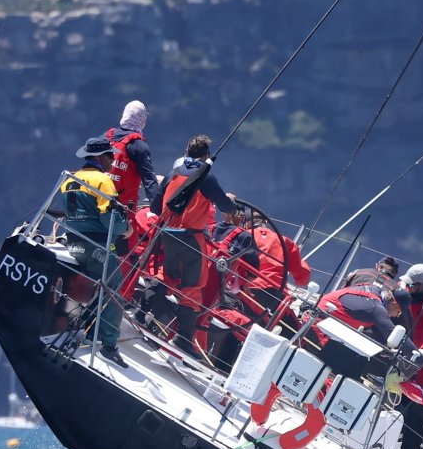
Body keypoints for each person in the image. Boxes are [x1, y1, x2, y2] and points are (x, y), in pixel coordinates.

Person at [156, 134, 238, 356]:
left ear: (187, 151)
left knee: (168, 276)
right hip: (191, 238)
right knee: (192, 289)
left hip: (166, 234)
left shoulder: (174, 171)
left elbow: (156, 203)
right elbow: (225, 205)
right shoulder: (206, 177)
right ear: (206, 156)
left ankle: (144, 314)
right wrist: (231, 202)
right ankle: (182, 341)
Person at [62, 136, 132, 368]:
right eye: (110, 155)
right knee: (113, 291)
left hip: (75, 244)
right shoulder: (103, 181)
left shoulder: (69, 179)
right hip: (97, 247)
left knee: (95, 287)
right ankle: (109, 347)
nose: (113, 160)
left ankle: (89, 333)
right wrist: (126, 228)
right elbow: (110, 220)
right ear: (100, 158)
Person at [250, 220, 312, 333]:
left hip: (243, 288)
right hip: (272, 293)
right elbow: (303, 277)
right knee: (296, 333)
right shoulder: (283, 241)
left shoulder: (241, 235)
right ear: (265, 224)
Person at [104, 100, 160, 210]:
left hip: (97, 204)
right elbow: (149, 182)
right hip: (121, 211)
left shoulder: (105, 138)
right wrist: (159, 210)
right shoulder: (139, 146)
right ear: (142, 120)